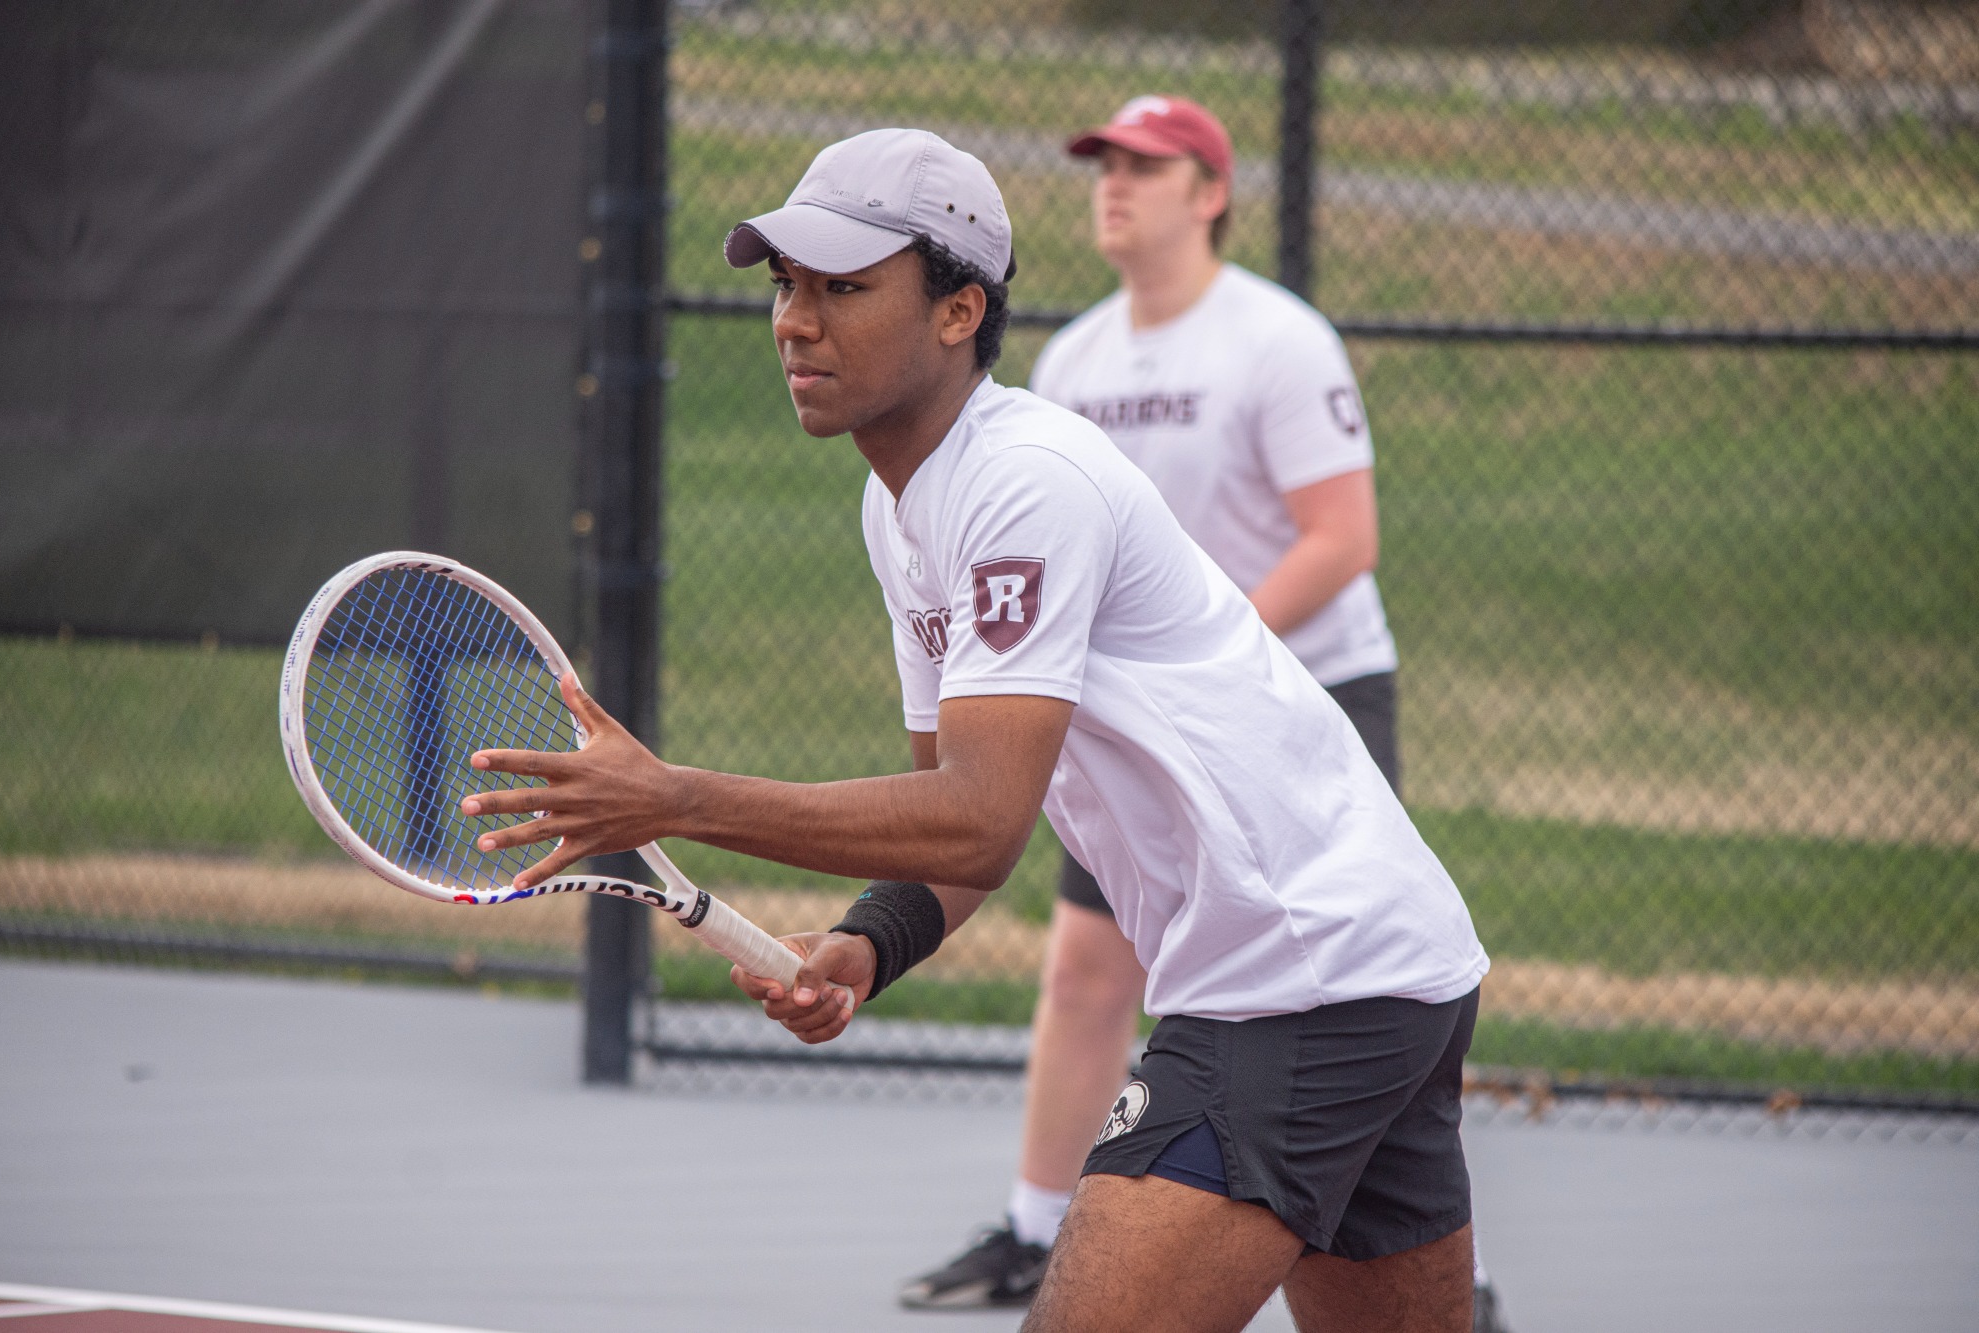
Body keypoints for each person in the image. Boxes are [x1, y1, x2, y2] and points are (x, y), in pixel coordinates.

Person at [459, 127, 1490, 1333]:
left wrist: (671, 798)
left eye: (844, 288)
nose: (794, 321)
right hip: (1379, 966)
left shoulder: (1024, 480)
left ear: (959, 311)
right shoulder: (898, 502)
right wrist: (869, 941)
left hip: (1300, 979)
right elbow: (948, 832)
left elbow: (979, 818)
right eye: (786, 284)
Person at [899, 96, 1510, 1332]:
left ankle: (1444, 1252)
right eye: (1102, 165)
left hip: (1299, 698)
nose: (1114, 184)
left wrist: (1213, 666)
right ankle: (1031, 1222)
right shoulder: (1073, 363)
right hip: (1130, 720)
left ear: (1210, 192)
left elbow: (1341, 537)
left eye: (1146, 165)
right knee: (1086, 965)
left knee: (1345, 966)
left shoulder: (1275, 341)